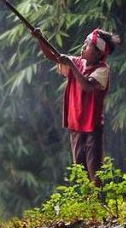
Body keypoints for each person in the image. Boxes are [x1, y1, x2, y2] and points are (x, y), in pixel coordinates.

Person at [33, 27, 121, 187]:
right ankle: (87, 204)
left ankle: (99, 204)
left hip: (92, 125)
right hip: (76, 123)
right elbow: (52, 56)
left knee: (94, 167)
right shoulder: (78, 62)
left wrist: (72, 66)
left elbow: (87, 86)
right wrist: (40, 39)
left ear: (98, 53)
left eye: (87, 45)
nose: (82, 47)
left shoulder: (102, 70)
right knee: (79, 167)